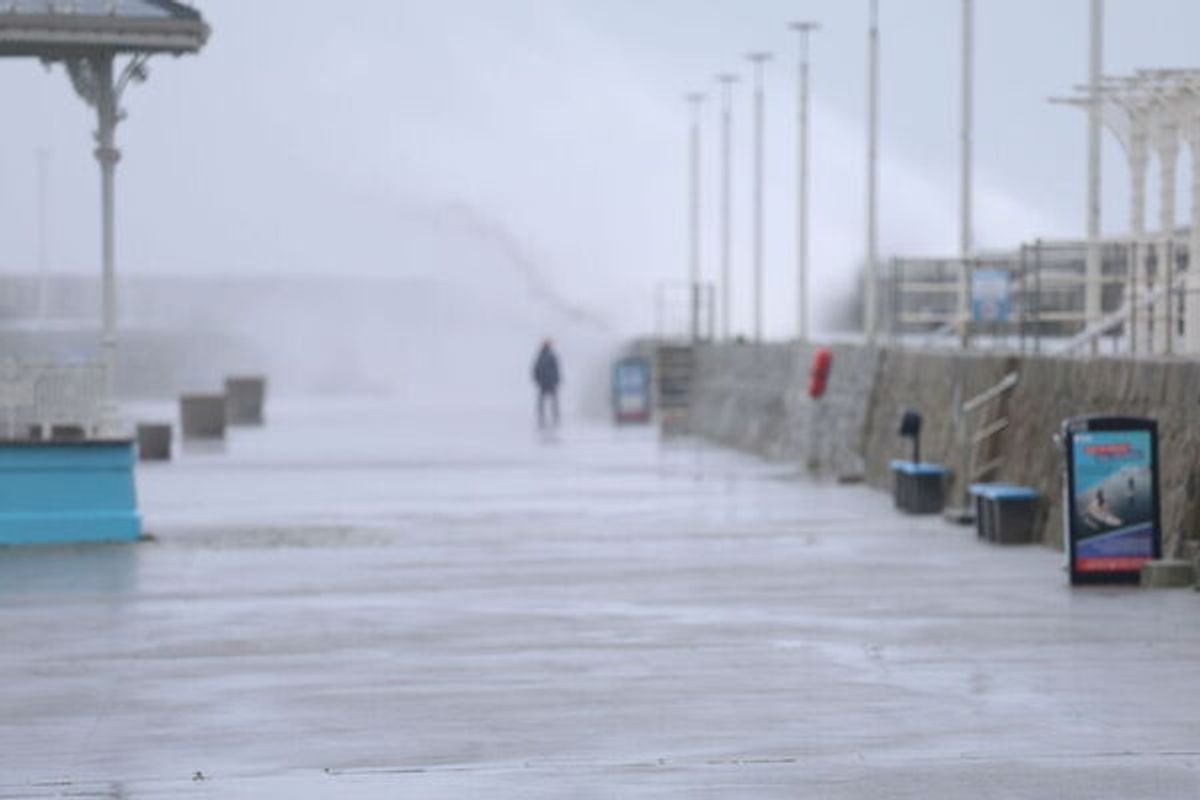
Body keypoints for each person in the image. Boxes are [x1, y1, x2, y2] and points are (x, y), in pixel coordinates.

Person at [532, 339, 561, 428]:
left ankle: (550, 415)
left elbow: (555, 370)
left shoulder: (543, 357)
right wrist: (556, 380)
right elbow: (536, 370)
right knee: (550, 400)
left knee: (547, 400)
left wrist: (537, 379)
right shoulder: (547, 357)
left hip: (546, 382)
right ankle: (550, 415)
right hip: (548, 382)